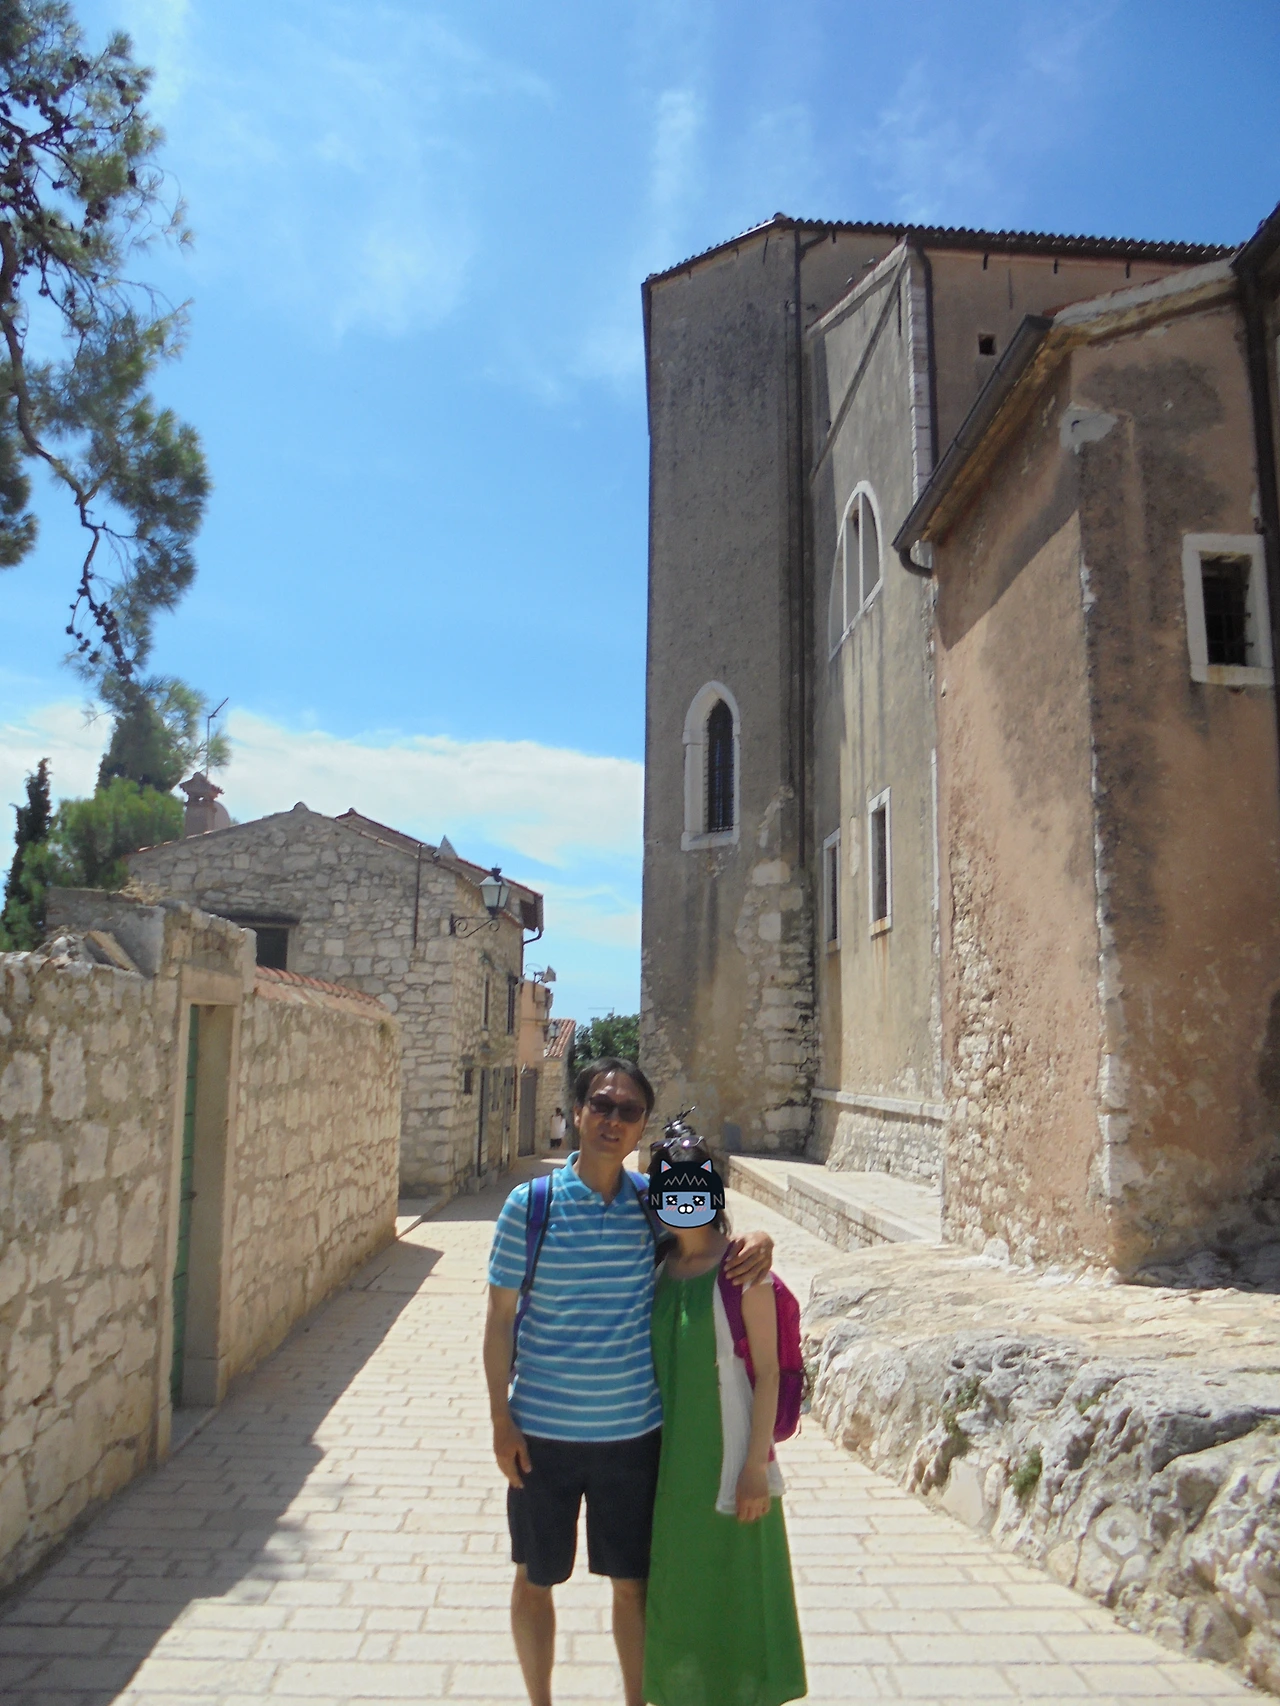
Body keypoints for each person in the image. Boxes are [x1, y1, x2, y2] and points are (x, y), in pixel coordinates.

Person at [483, 1058, 774, 1706]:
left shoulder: (653, 1208)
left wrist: (758, 1238)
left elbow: (711, 1244)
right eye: (602, 1105)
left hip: (634, 1437)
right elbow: (500, 1320)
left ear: (642, 1125)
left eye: (629, 1111)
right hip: (542, 1437)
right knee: (535, 1578)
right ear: (580, 1111)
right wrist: (501, 1421)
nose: (613, 1119)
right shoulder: (529, 1208)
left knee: (633, 1585)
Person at [643, 1123, 806, 1706]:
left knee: (737, 1587)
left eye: (695, 1186)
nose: (684, 1200)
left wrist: (755, 1466)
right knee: (680, 1591)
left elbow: (768, 1375)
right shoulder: (660, 1270)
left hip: (728, 1456)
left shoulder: (743, 1274)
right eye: (672, 1188)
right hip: (670, 1466)